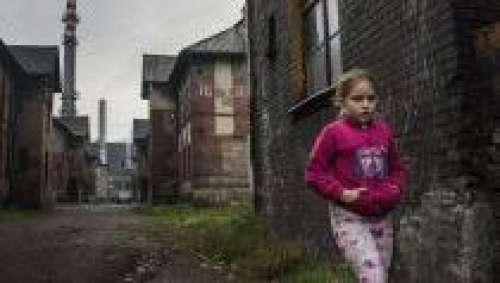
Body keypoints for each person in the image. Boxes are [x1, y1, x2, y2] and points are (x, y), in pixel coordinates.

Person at [304, 68, 406, 283]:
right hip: (349, 216)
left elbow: (397, 168)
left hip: (382, 215)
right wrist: (341, 193)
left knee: (382, 274)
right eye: (357, 99)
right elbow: (313, 173)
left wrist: (395, 189)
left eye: (371, 98)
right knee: (373, 276)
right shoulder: (333, 133)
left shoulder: (384, 131)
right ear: (342, 101)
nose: (366, 104)